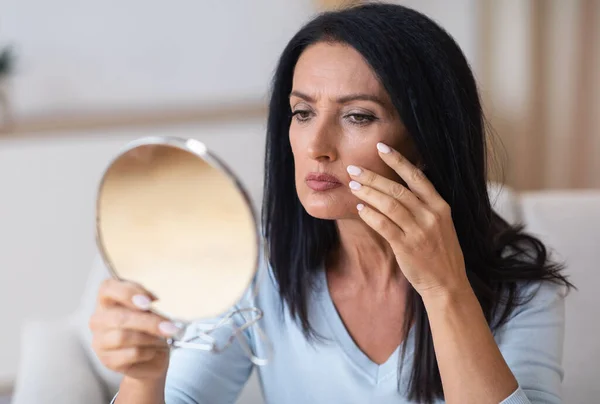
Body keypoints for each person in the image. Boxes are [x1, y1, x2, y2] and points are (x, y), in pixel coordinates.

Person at [90, 3, 572, 403]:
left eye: (358, 116)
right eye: (302, 112)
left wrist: (445, 290)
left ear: (426, 140)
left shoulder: (522, 285)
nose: (316, 144)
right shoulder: (257, 266)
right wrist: (144, 375)